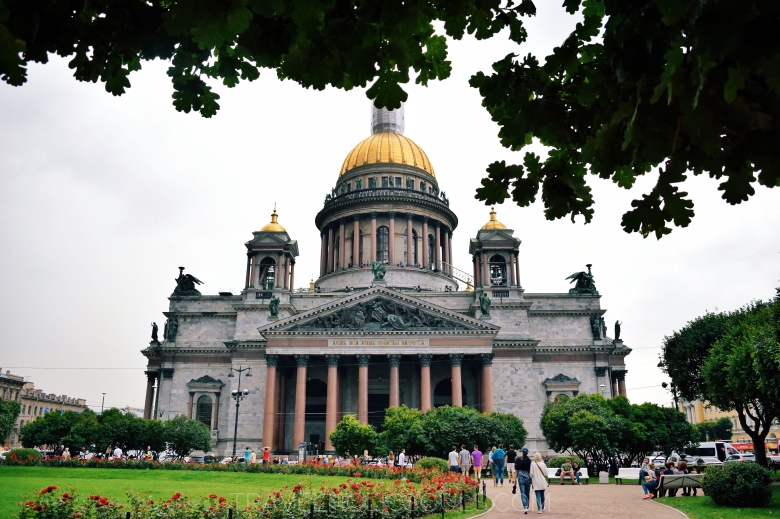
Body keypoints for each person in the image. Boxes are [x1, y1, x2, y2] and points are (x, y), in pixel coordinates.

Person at [515, 448, 532, 514]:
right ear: (527, 452)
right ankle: (527, 505)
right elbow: (530, 471)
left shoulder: (518, 459)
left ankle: (525, 506)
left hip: (521, 477)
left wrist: (514, 480)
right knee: (527, 492)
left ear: (522, 452)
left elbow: (516, 471)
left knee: (522, 493)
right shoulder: (529, 460)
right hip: (527, 477)